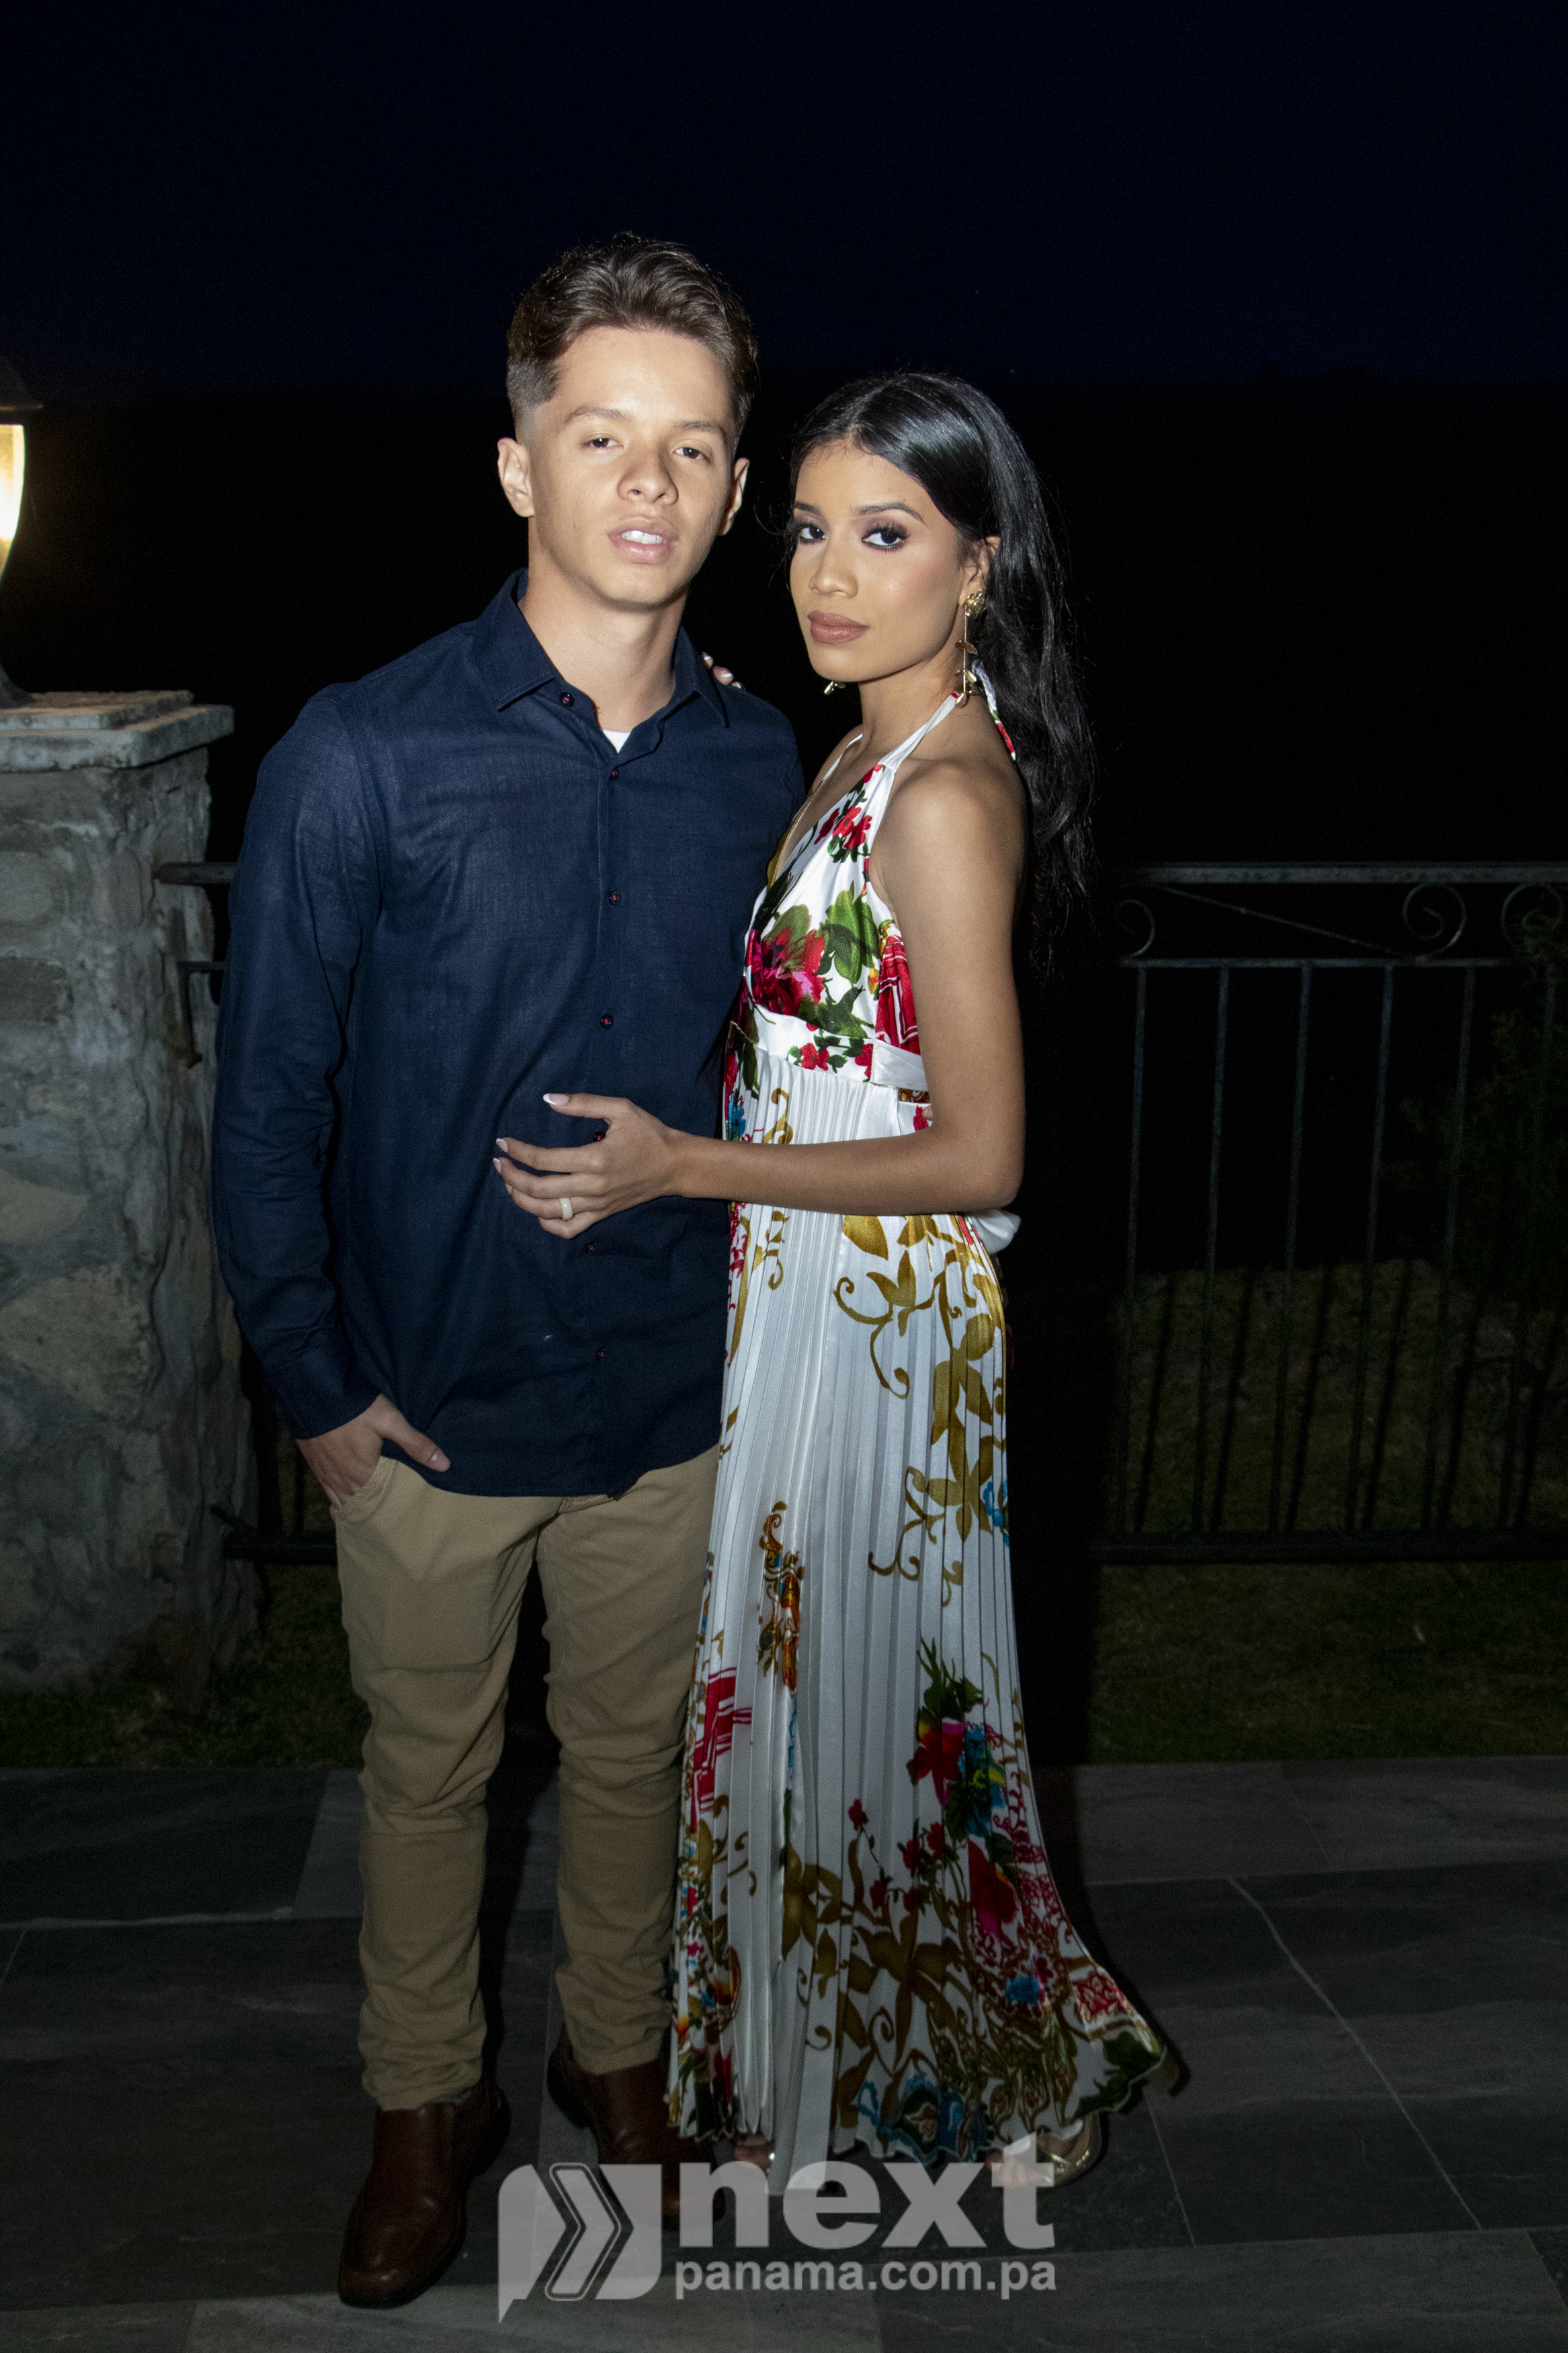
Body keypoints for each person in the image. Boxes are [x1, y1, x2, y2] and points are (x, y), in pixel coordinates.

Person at [493, 372, 1173, 2185]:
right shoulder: (858, 750)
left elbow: (985, 1155)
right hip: (809, 1294)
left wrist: (683, 1164)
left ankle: (994, 2069)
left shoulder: (941, 791)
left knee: (884, 1700)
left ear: (980, 566)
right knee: (824, 1702)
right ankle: (835, 2055)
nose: (829, 574)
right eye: (807, 529)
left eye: (885, 534)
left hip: (884, 1317)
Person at [210, 237, 803, 2307]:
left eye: (693, 447)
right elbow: (265, 1103)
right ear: (517, 465)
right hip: (429, 1407)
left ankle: (611, 2057)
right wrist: (314, 1384)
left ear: (737, 491)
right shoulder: (360, 751)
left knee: (637, 1765)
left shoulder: (765, 765)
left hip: (668, 1394)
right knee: (429, 1775)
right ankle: (421, 2103)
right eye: (602, 435)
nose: (648, 481)